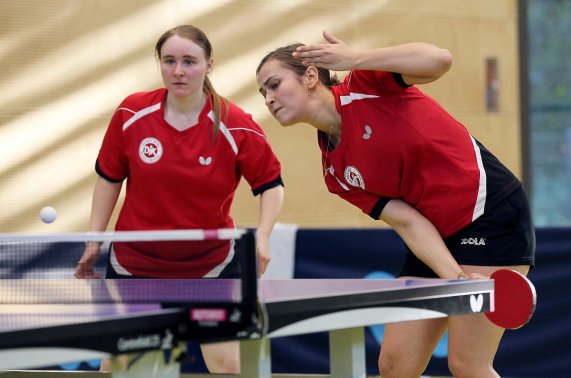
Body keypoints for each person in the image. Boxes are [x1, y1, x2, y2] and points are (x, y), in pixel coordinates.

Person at [256, 31, 535, 378]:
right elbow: (408, 222)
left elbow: (439, 58)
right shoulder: (336, 173)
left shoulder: (367, 83)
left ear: (310, 75)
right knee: (394, 365)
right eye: (263, 92)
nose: (268, 98)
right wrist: (457, 277)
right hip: (434, 233)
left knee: (467, 365)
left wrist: (355, 57)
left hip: (490, 213)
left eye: (274, 84)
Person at [75, 24, 284, 374]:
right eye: (169, 61)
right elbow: (109, 178)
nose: (178, 71)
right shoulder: (131, 114)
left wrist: (262, 235)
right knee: (119, 367)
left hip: (210, 268)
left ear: (209, 65)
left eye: (189, 61)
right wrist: (94, 240)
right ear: (159, 64)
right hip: (135, 266)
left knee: (228, 366)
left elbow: (271, 184)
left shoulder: (236, 124)